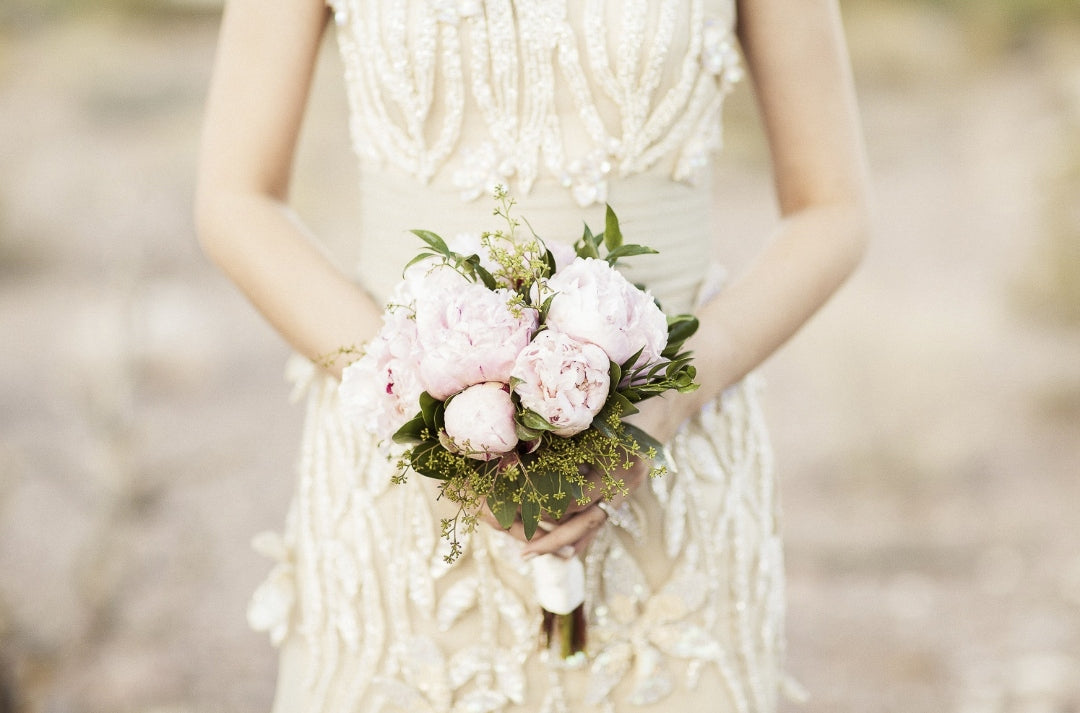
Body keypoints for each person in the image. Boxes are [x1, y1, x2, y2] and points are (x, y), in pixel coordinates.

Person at [195, 0, 871, 711]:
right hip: (400, 490)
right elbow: (236, 199)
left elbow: (832, 207)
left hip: (674, 482)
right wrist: (426, 413)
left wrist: (673, 396)